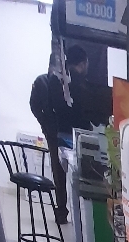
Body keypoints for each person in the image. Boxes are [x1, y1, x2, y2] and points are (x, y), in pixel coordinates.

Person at [29, 45, 91, 224]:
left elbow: (34, 106)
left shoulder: (45, 80)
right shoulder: (76, 83)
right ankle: (80, 215)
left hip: (57, 134)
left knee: (60, 174)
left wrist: (46, 125)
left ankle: (63, 212)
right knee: (80, 175)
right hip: (71, 134)